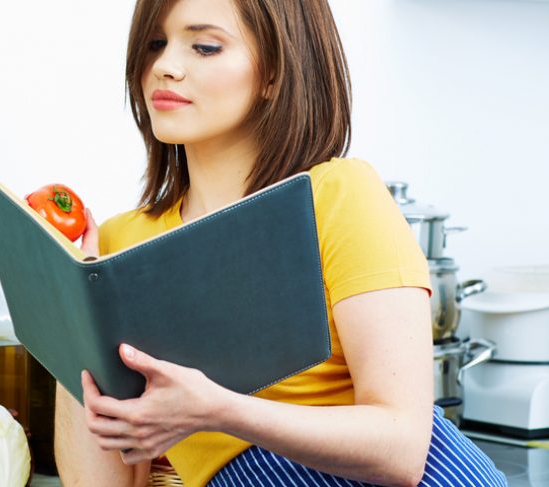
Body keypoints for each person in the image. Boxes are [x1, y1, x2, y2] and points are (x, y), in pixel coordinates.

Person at [53, 1, 507, 486]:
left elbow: (401, 446)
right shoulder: (121, 247)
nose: (164, 66)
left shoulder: (335, 196)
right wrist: (70, 306)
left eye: (205, 46)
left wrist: (218, 410)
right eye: (154, 44)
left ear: (273, 73)